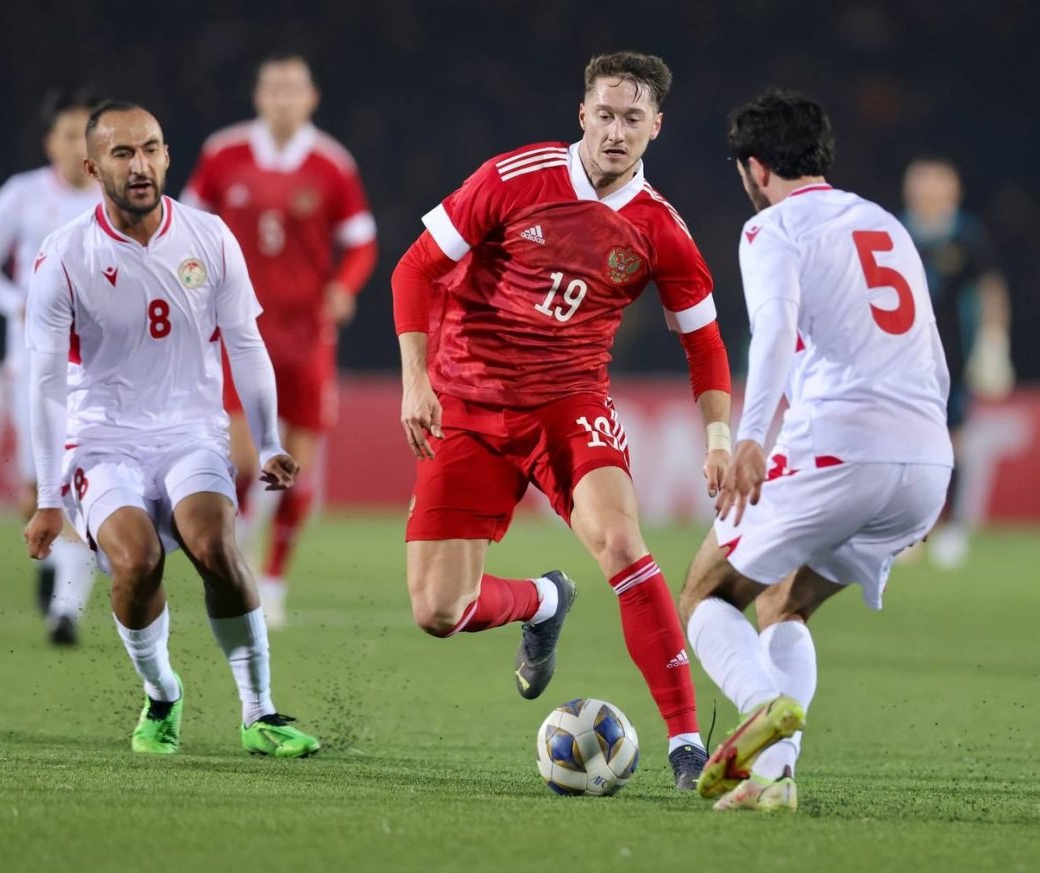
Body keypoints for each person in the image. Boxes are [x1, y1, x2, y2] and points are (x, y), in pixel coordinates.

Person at [392, 52, 733, 791]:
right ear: (583, 114)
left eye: (632, 119)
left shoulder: (661, 230)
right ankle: (544, 600)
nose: (615, 132)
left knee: (622, 540)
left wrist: (718, 439)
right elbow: (414, 268)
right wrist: (416, 381)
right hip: (467, 401)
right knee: (439, 610)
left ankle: (685, 745)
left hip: (569, 403)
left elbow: (705, 344)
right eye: (604, 115)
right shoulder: (514, 177)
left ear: (656, 127)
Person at [680, 89, 953, 812]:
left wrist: (751, 437)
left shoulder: (772, 228)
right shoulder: (886, 223)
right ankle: (773, 780)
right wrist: (926, 463)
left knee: (707, 592)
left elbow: (773, 331)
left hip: (842, 448)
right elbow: (931, 353)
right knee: (784, 602)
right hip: (925, 461)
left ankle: (762, 705)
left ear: (756, 168)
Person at [23, 101, 319, 757]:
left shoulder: (209, 237)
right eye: (122, 153)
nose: (140, 165)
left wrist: (268, 439)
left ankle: (260, 711)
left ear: (166, 156)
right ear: (92, 167)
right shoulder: (64, 255)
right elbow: (44, 386)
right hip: (102, 441)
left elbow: (246, 344)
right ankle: (162, 693)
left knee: (216, 545)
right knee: (138, 563)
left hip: (191, 433)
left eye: (150, 149)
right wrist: (48, 496)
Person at [182, 52, 378, 628]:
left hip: (307, 332)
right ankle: (241, 537)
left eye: (293, 89)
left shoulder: (332, 164)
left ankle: (272, 583)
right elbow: (186, 227)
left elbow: (361, 242)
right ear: (258, 96)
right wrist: (193, 283)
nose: (283, 99)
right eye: (273, 88)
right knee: (244, 457)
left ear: (311, 98)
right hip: (239, 325)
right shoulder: (224, 154)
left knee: (296, 465)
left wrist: (343, 286)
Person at [0, 88, 103, 646]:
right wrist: (16, 302)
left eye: (88, 137)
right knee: (36, 487)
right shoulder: (22, 196)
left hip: (97, 368)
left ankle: (66, 609)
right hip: (31, 365)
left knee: (81, 482)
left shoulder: (116, 201)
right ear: (51, 142)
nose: (79, 147)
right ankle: (57, 567)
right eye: (69, 136)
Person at [901, 157, 1013, 568]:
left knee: (954, 442)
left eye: (937, 185)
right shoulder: (894, 231)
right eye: (922, 184)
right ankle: (908, 529)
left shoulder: (967, 236)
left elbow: (989, 290)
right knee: (904, 444)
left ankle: (953, 527)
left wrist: (993, 342)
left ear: (953, 191)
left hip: (953, 358)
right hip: (901, 359)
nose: (929, 193)